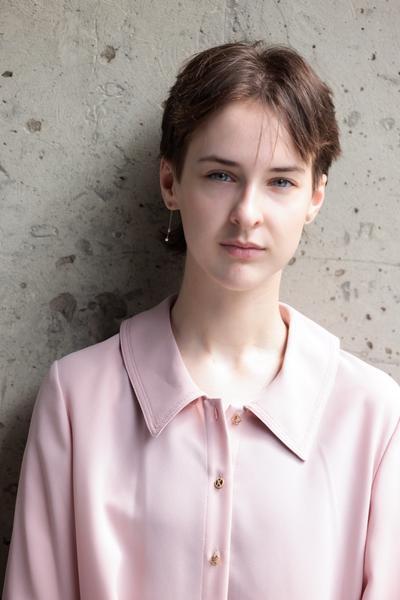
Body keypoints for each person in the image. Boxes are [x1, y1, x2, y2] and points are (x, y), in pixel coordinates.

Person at [3, 40, 400, 600]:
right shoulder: (76, 398)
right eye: (220, 176)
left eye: (281, 181)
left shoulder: (373, 415)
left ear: (315, 196)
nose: (247, 214)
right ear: (170, 183)